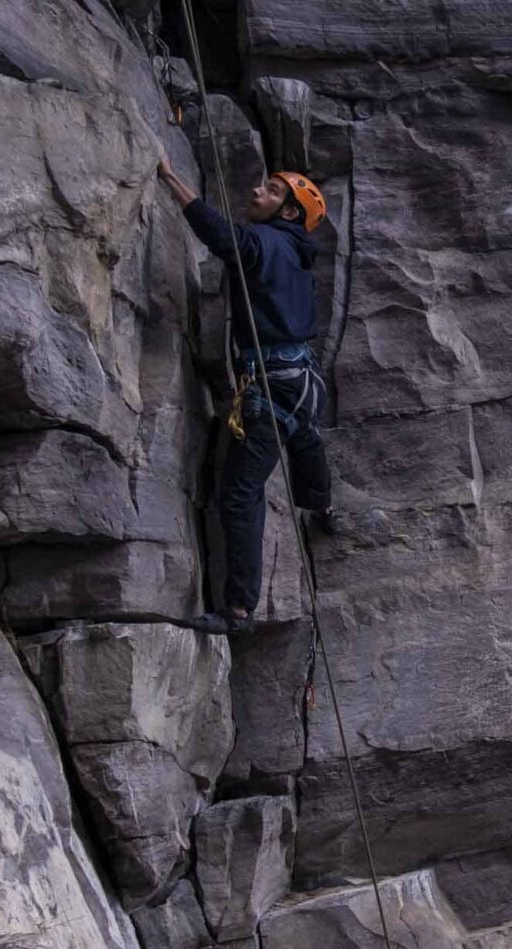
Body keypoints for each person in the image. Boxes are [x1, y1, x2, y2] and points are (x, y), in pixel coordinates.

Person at [157, 155, 335, 634]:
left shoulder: (267, 241)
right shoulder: (297, 251)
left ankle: (238, 610)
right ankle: (323, 506)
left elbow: (223, 239)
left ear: (291, 212)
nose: (258, 192)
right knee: (303, 436)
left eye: (273, 192)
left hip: (274, 386)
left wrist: (171, 178)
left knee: (239, 494)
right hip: (301, 383)